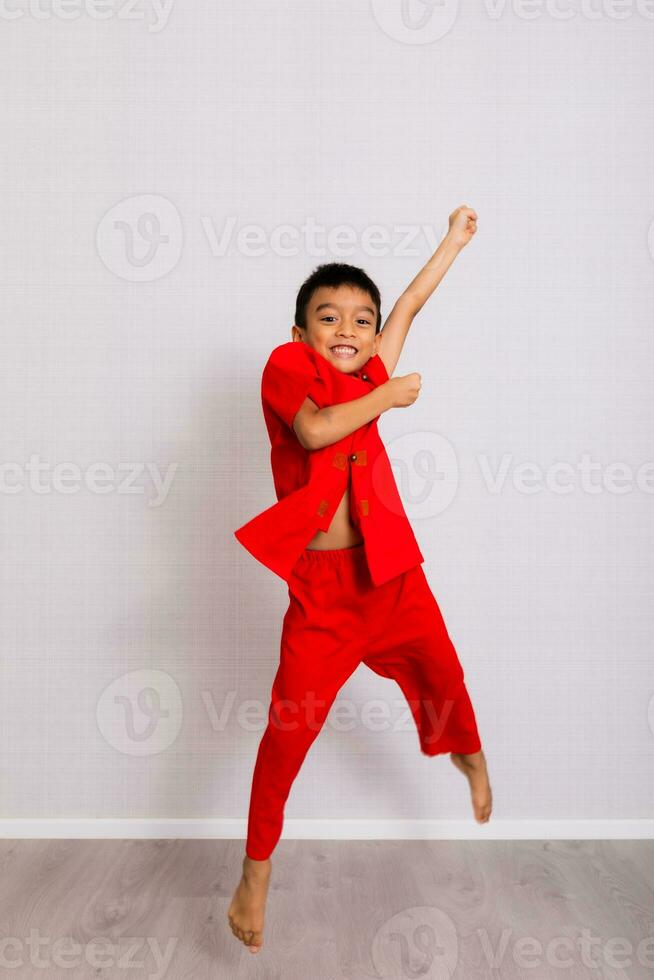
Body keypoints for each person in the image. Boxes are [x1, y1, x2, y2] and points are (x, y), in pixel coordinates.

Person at [228, 205, 492, 954]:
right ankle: (255, 872)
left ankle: (466, 755)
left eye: (360, 320)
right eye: (328, 317)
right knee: (289, 731)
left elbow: (410, 301)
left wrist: (454, 241)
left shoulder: (375, 363)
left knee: (443, 677)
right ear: (301, 331)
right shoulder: (287, 371)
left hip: (392, 577)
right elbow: (314, 429)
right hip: (324, 593)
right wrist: (387, 395)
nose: (347, 329)